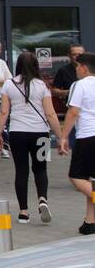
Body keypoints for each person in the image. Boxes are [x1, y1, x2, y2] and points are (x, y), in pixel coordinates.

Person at [0, 51, 62, 223]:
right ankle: (42, 199)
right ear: (36, 66)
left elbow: (4, 111)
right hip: (41, 134)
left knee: (21, 171)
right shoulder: (43, 86)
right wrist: (61, 137)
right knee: (41, 169)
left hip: (18, 135)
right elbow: (51, 114)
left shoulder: (9, 85)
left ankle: (23, 212)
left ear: (18, 65)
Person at [58, 52, 95, 235]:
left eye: (78, 67)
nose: (76, 70)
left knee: (76, 177)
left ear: (84, 68)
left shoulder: (80, 85)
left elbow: (73, 112)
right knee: (92, 181)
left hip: (88, 136)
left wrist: (63, 137)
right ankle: (90, 222)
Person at [49, 43, 86, 116]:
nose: (77, 57)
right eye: (74, 54)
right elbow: (54, 91)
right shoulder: (63, 71)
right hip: (72, 110)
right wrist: (70, 92)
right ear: (69, 55)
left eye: (80, 54)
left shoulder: (92, 69)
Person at [0, 41, 13, 158]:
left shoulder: (1, 63)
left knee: (2, 124)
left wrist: (1, 82)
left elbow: (10, 79)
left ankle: (5, 148)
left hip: (0, 96)